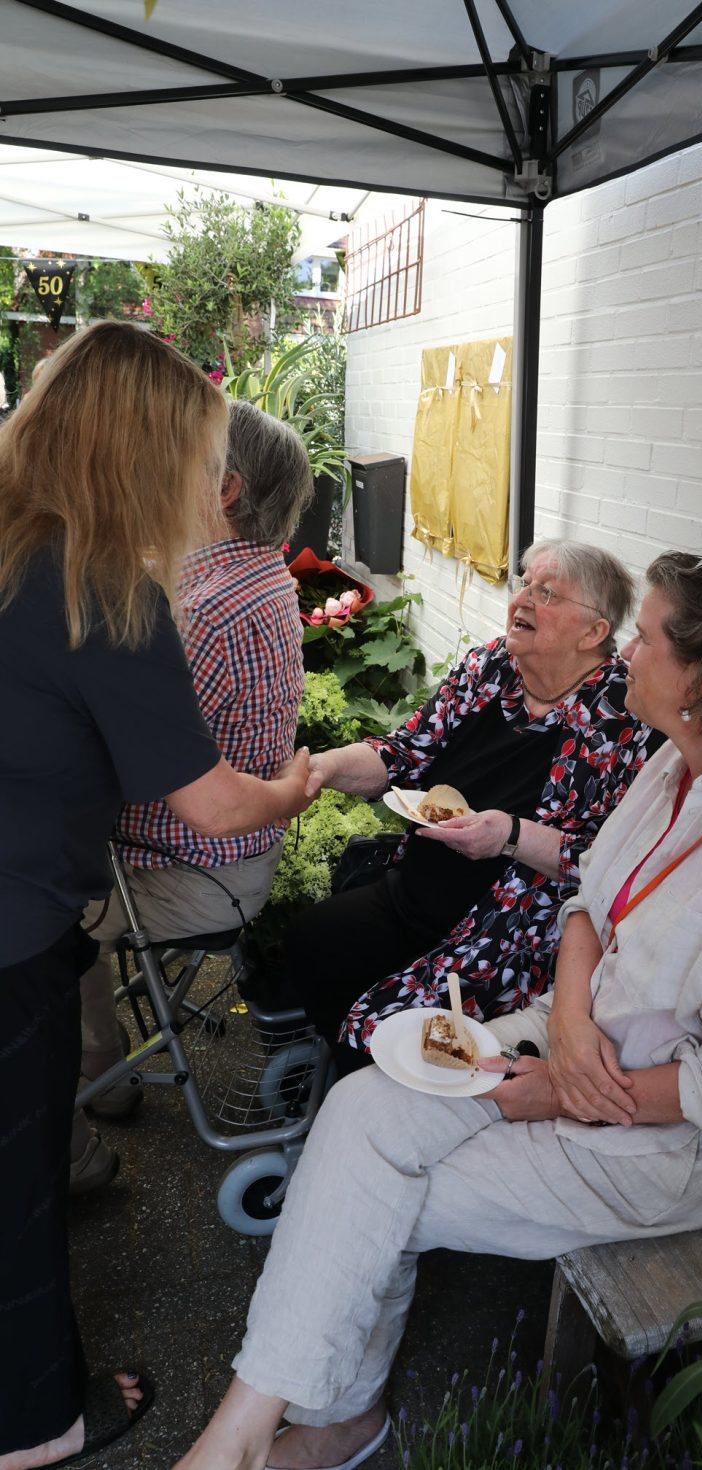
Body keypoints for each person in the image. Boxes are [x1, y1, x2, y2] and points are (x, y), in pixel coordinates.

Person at [172, 541, 702, 1470]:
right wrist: (570, 1024)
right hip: (561, 1041)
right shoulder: (674, 772)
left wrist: (562, 1088)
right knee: (362, 1105)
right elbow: (589, 902)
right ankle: (255, 1432)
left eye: (649, 639)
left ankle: (312, 1425)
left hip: (662, 1141)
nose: (627, 654)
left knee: (376, 1193)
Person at [0, 322, 315, 1470]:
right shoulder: (100, 590)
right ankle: (34, 1426)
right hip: (12, 928)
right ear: (141, 454)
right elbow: (219, 807)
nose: (205, 484)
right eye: (192, 456)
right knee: (15, 1186)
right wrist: (299, 781)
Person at [285, 539, 662, 1072]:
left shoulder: (626, 722)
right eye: (525, 583)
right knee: (308, 943)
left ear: (593, 632)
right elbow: (403, 751)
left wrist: (509, 835)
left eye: (547, 592)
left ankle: (361, 1108)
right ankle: (336, 1087)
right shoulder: (491, 667)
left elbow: (609, 864)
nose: (524, 599)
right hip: (413, 895)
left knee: (378, 1036)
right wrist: (324, 769)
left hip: (502, 936)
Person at [71, 399, 314, 1193]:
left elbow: (127, 763)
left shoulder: (200, 611)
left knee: (38, 904)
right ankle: (101, 1067)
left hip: (189, 874)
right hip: (235, 857)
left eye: (182, 461)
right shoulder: (261, 577)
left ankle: (93, 1090)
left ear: (224, 490)